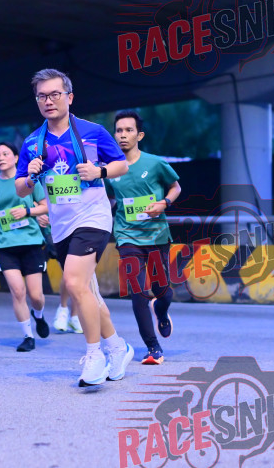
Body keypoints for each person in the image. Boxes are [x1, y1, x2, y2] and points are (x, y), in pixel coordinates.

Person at [16, 68, 134, 387]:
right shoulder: (32, 142)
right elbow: (21, 188)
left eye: (55, 94)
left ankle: (94, 356)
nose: (48, 101)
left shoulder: (93, 132)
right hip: (61, 226)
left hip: (93, 217)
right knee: (88, 293)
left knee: (73, 282)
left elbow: (122, 164)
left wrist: (99, 171)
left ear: (69, 97)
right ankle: (118, 348)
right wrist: (31, 176)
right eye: (42, 96)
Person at [106, 110, 181, 365]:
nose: (123, 135)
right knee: (138, 293)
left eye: (128, 130)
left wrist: (164, 203)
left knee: (163, 292)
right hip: (127, 237)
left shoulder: (155, 163)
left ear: (139, 135)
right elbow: (108, 198)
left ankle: (161, 310)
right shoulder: (110, 169)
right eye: (119, 130)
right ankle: (153, 348)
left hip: (157, 235)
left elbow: (176, 187)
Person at [0, 142, 50, 351]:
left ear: (16, 158)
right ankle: (28, 337)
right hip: (5, 244)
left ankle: (38, 315)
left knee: (36, 296)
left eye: (5, 154)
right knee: (18, 292)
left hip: (31, 242)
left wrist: (28, 212)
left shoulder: (29, 180)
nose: (0, 158)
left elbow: (45, 205)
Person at [37, 209, 83, 334]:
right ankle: (63, 308)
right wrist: (38, 212)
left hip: (81, 224)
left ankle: (74, 316)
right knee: (69, 271)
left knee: (79, 273)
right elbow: (33, 200)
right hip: (55, 227)